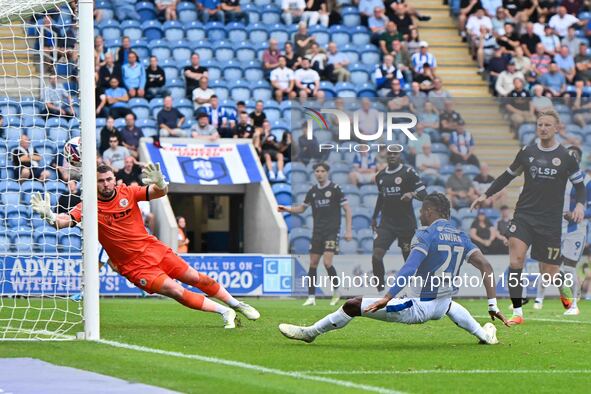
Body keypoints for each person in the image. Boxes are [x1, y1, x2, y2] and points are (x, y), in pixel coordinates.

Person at [31, 164, 259, 328]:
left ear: (115, 179)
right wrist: (50, 216)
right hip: (133, 266)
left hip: (153, 249)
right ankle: (224, 311)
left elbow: (158, 192)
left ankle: (237, 304)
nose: (106, 183)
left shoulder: (128, 193)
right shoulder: (88, 205)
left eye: (109, 179)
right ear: (94, 183)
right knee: (176, 290)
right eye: (101, 181)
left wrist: (161, 183)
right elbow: (64, 222)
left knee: (196, 278)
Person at [279, 193, 507, 345]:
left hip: (419, 307)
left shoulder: (426, 234)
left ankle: (310, 333)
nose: (419, 214)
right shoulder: (462, 236)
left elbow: (409, 268)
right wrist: (492, 304)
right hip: (444, 304)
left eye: (422, 210)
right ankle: (486, 335)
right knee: (450, 306)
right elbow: (486, 266)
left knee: (352, 305)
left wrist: (387, 298)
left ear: (429, 211)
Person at [471, 111, 586, 325]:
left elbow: (580, 188)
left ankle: (571, 301)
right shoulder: (526, 152)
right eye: (540, 124)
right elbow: (507, 176)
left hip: (550, 221)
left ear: (556, 128)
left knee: (550, 271)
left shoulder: (566, 158)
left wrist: (580, 204)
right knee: (516, 260)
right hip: (524, 215)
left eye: (547, 125)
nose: (542, 128)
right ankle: (517, 312)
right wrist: (485, 194)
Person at [277, 163, 353, 306]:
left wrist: (348, 230)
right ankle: (311, 297)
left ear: (327, 173)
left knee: (327, 262)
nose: (319, 173)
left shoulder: (335, 189)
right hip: (317, 232)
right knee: (313, 264)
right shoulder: (312, 191)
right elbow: (301, 208)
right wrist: (286, 208)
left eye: (322, 171)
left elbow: (347, 210)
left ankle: (336, 291)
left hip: (332, 231)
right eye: (317, 171)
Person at [534, 145, 591, 316]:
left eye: (573, 157)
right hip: (554, 229)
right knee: (548, 266)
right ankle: (540, 298)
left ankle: (574, 305)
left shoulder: (587, 181)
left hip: (576, 229)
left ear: (579, 160)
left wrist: (576, 214)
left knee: (569, 269)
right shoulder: (554, 178)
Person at [370, 151, 427, 292]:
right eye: (389, 153)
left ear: (400, 155)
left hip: (406, 224)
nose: (392, 156)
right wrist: (374, 217)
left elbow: (424, 194)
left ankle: (413, 291)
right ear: (386, 156)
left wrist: (412, 194)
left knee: (409, 261)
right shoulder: (380, 176)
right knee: (376, 255)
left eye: (395, 153)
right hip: (386, 223)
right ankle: (381, 291)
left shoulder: (409, 172)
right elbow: (381, 198)